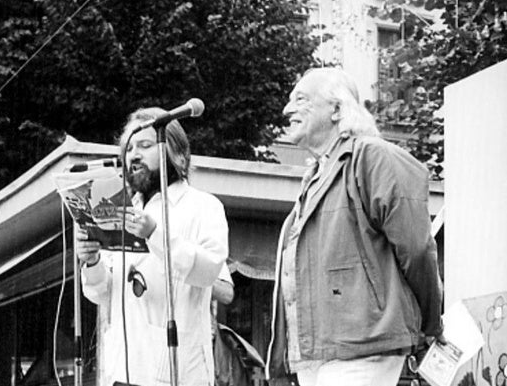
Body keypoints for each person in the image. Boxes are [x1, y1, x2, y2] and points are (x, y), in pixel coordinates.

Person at [265, 68, 444, 386]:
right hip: (317, 353)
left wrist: (431, 326)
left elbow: (417, 250)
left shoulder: (374, 157)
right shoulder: (317, 175)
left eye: (301, 99)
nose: (287, 109)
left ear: (336, 109)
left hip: (363, 346)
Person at [76, 107, 229, 386]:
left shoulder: (203, 206)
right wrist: (92, 261)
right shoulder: (120, 209)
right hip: (122, 371)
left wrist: (154, 234)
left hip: (179, 373)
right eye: (129, 148)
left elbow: (208, 273)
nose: (134, 155)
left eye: (145, 145)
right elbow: (102, 294)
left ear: (179, 155)